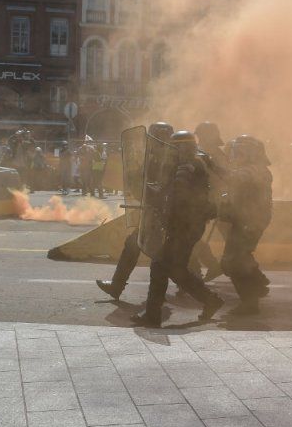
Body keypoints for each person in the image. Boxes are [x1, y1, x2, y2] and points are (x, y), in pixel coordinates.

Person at [134, 130, 224, 327]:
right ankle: (211, 301)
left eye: (174, 148)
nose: (170, 151)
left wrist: (152, 192)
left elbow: (179, 195)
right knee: (176, 269)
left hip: (185, 226)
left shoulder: (187, 167)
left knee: (161, 266)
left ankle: (152, 315)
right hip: (186, 225)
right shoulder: (190, 164)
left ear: (182, 148)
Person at [97, 122, 174, 300]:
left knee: (168, 257)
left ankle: (200, 293)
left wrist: (148, 190)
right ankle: (117, 287)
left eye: (157, 138)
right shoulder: (154, 157)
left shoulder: (171, 159)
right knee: (134, 245)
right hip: (154, 213)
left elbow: (166, 188)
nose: (154, 142)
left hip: (167, 214)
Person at [212, 135, 273, 317]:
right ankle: (258, 285)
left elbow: (234, 178)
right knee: (238, 259)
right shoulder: (252, 169)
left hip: (250, 221)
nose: (236, 154)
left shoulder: (255, 170)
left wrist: (210, 164)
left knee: (233, 262)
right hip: (246, 219)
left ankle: (250, 302)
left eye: (240, 151)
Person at [192, 122, 228, 281]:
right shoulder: (202, 153)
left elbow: (223, 179)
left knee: (191, 237)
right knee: (193, 237)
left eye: (202, 136)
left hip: (211, 203)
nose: (200, 139)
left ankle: (195, 275)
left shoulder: (216, 156)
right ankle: (213, 266)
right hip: (205, 201)